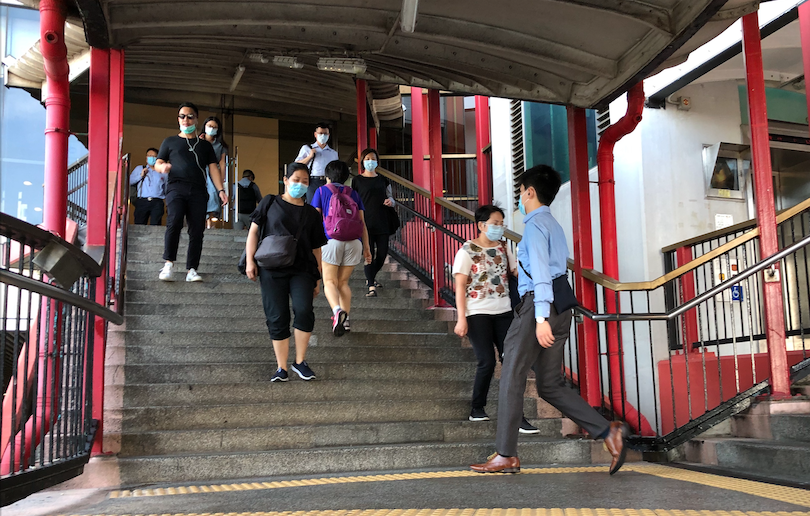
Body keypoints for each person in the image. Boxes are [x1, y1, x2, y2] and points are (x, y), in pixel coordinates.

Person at [470, 165, 628, 475]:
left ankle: (506, 454)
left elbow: (541, 273)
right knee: (550, 384)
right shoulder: (554, 225)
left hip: (538, 309)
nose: (519, 197)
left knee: (512, 374)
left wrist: (540, 317)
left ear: (529, 192)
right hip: (561, 307)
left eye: (520, 191)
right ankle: (607, 431)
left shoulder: (535, 227)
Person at [452, 205, 538, 434]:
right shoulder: (466, 251)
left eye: (502, 223)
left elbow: (517, 272)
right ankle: (477, 408)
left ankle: (517, 416)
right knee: (487, 361)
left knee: (511, 362)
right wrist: (461, 318)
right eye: (496, 223)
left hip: (504, 313)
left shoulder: (503, 248)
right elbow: (459, 286)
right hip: (477, 313)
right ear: (481, 225)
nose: (500, 227)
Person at [245, 162, 328, 382]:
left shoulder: (311, 213)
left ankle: (300, 362)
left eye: (305, 181)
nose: (300, 185)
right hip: (271, 269)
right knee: (277, 316)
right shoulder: (269, 202)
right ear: (286, 180)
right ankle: (281, 368)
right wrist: (250, 262)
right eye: (296, 180)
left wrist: (317, 277)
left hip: (302, 270)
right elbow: (253, 232)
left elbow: (316, 248)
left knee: (304, 310)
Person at [154, 102, 228, 282]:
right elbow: (158, 162)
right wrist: (162, 167)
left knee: (197, 230)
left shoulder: (204, 146)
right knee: (175, 220)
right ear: (178, 119)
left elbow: (213, 169)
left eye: (189, 116)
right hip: (176, 187)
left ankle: (192, 269)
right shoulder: (170, 141)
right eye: (182, 116)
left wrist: (221, 190)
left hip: (198, 190)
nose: (185, 120)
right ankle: (168, 264)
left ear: (196, 119)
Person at [310, 160, 371, 336]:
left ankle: (337, 311)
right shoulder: (354, 194)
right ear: (345, 177)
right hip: (354, 242)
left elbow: (315, 220)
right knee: (343, 282)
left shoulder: (321, 191)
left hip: (330, 240)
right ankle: (346, 321)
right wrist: (366, 247)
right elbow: (362, 223)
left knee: (329, 281)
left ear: (327, 176)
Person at [351, 148, 396, 297]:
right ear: (363, 161)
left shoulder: (383, 180)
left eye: (373, 158)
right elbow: (352, 201)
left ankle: (370, 276)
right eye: (367, 158)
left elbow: (391, 197)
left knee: (382, 254)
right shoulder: (356, 180)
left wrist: (391, 202)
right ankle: (371, 285)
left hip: (382, 220)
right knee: (368, 254)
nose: (370, 161)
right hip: (365, 223)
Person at [295, 122, 338, 203]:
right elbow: (297, 165)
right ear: (315, 134)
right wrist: (309, 157)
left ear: (328, 135)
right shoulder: (307, 148)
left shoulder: (333, 153)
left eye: (325, 134)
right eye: (320, 133)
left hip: (329, 182)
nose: (323, 136)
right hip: (313, 181)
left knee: (329, 206)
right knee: (313, 206)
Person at [199, 116, 229, 229]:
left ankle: (209, 221)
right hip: (199, 172)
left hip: (213, 173)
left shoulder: (221, 146)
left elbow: (222, 164)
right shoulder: (197, 141)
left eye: (214, 127)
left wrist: (221, 182)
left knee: (212, 195)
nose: (212, 129)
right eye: (209, 126)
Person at [129, 147, 167, 225]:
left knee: (156, 225)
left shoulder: (163, 172)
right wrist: (140, 176)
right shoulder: (140, 168)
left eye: (153, 156)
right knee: (139, 224)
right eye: (148, 156)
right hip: (142, 201)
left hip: (157, 202)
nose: (150, 158)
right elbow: (130, 181)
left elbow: (167, 188)